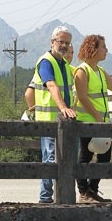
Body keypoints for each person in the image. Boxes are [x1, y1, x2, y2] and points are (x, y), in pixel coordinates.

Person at [73, 35, 112, 203]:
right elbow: (83, 97)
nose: (107, 50)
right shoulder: (82, 71)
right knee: (85, 156)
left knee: (104, 156)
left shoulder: (99, 71)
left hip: (99, 122)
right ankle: (84, 192)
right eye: (104, 47)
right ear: (93, 49)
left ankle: (91, 190)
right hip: (87, 121)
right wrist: (98, 117)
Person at [33, 26, 77, 203]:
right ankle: (46, 199)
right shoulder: (46, 62)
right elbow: (51, 85)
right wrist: (64, 108)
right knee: (51, 160)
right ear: (52, 42)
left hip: (63, 123)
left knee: (60, 160)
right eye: (61, 42)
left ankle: (54, 199)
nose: (64, 45)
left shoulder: (65, 64)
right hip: (49, 121)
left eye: (67, 43)